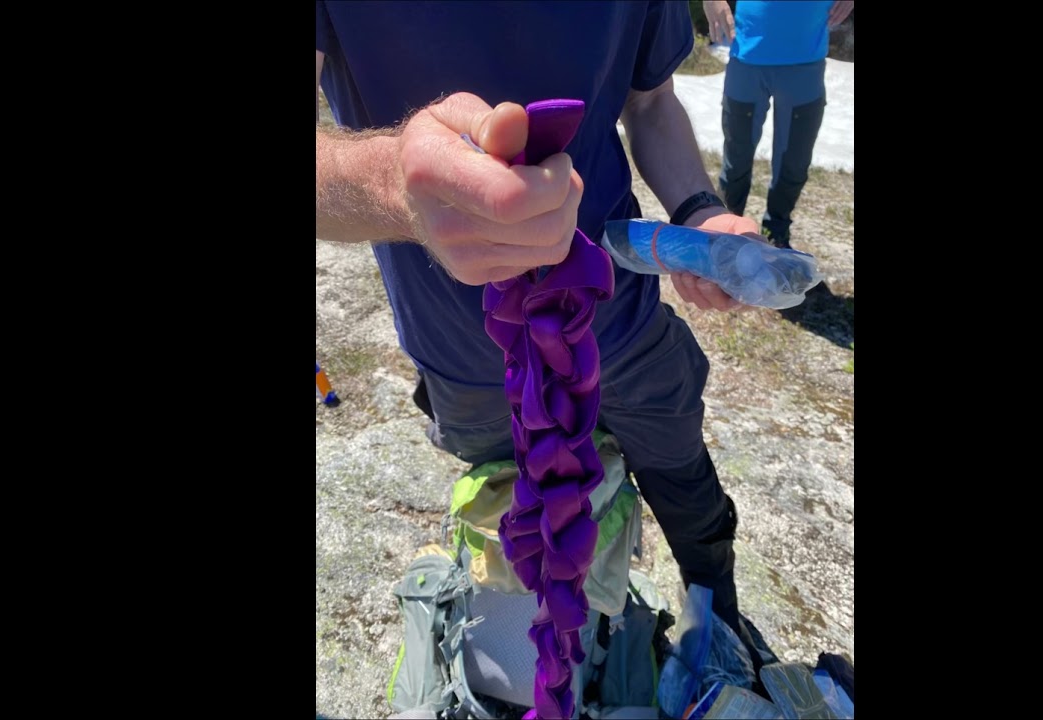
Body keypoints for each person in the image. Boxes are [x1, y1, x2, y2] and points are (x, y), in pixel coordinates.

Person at [315, 1, 761, 646]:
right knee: (516, 524)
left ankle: (716, 612)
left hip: (623, 321)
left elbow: (652, 102)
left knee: (684, 478)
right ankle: (547, 657)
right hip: (468, 355)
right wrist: (392, 183)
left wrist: (698, 210)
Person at [704, 0, 853, 249]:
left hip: (806, 63)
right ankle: (727, 237)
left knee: (793, 166)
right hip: (747, 58)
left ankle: (776, 235)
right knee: (736, 162)